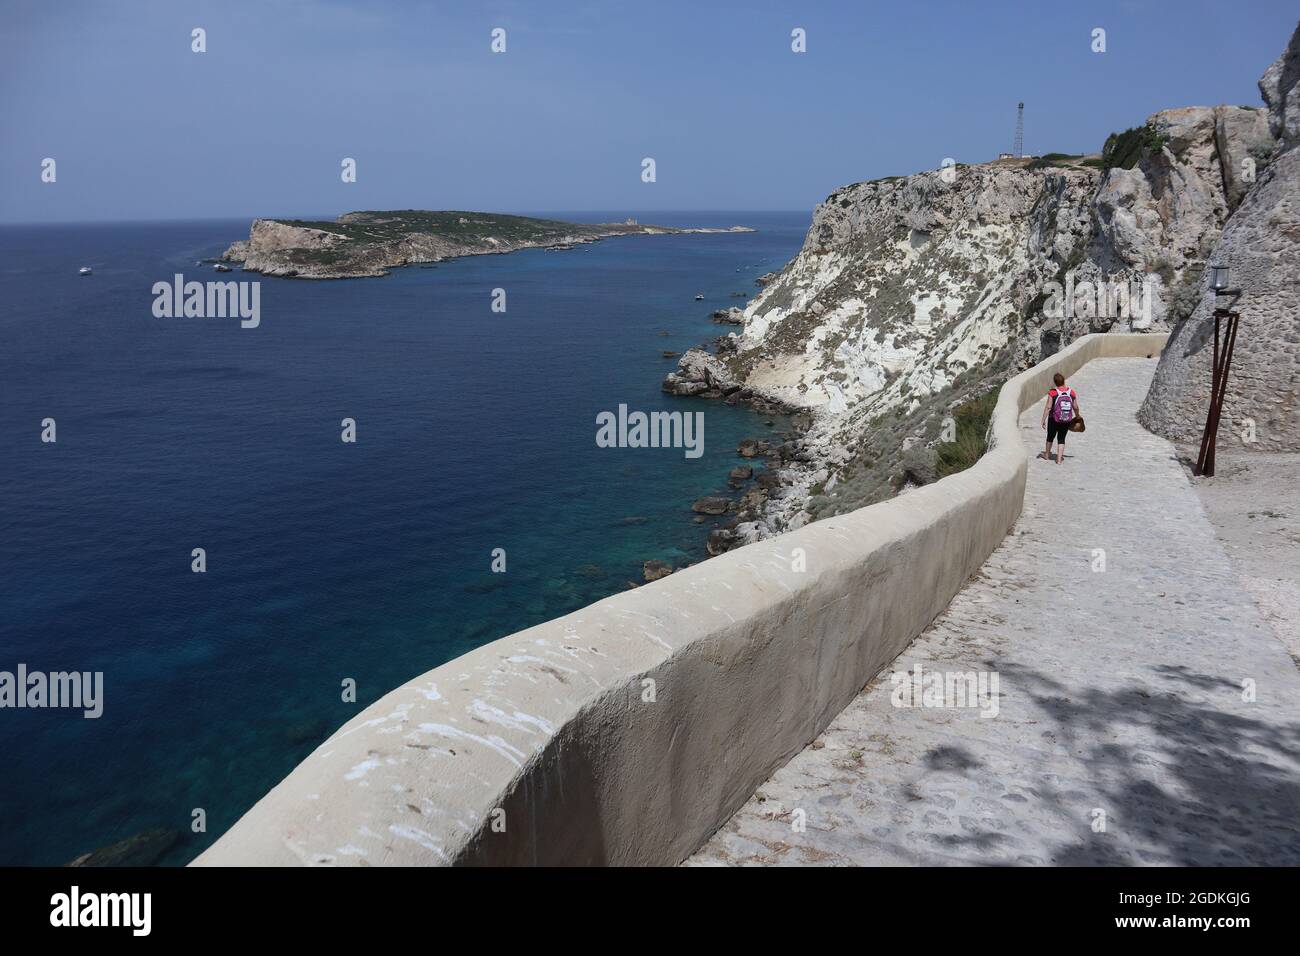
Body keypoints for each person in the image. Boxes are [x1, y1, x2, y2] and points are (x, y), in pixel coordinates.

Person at [1039, 372, 1079, 464]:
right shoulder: (1071, 392)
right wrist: (1077, 416)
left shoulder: (1053, 393)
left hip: (1053, 418)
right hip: (1066, 420)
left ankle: (1047, 455)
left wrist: (1043, 419)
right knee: (1061, 439)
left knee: (1050, 437)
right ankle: (1059, 459)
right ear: (1064, 381)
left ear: (1055, 382)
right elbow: (1075, 407)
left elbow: (1049, 407)